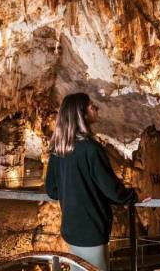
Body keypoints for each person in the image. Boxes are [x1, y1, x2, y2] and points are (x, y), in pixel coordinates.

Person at [45, 93, 137, 271]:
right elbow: (111, 189)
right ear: (82, 114)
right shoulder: (91, 149)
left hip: (70, 229)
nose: (96, 108)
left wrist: (73, 191)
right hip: (91, 230)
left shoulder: (58, 149)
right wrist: (133, 196)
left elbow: (52, 190)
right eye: (91, 106)